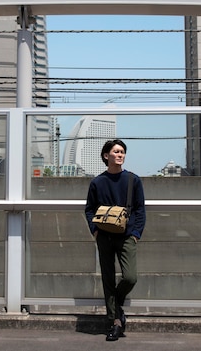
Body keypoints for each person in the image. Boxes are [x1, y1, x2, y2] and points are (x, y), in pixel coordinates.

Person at [84, 139, 146, 341]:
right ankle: (115, 323)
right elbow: (89, 209)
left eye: (122, 152)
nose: (120, 155)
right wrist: (95, 231)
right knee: (108, 278)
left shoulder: (132, 180)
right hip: (104, 236)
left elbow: (140, 209)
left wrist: (136, 234)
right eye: (116, 152)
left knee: (130, 277)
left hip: (127, 236)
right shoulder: (97, 182)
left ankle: (115, 303)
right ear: (106, 156)